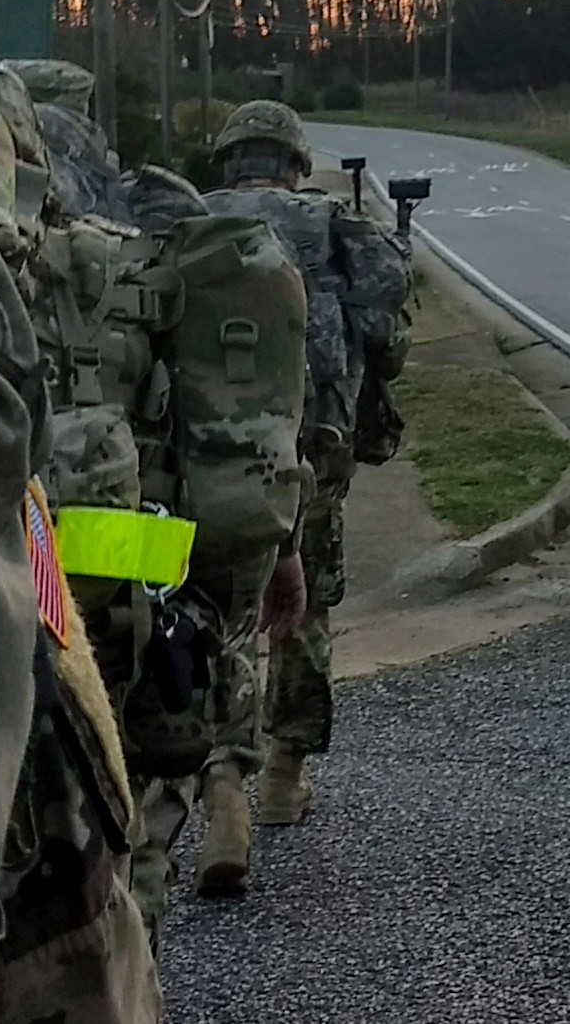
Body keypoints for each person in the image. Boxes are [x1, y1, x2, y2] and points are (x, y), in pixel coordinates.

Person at [201, 101, 412, 838]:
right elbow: (387, 326)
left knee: (206, 608)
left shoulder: (181, 221)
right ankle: (286, 779)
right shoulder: (336, 226)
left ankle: (223, 775)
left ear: (227, 160)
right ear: (295, 163)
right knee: (303, 610)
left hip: (200, 452)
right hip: (310, 453)